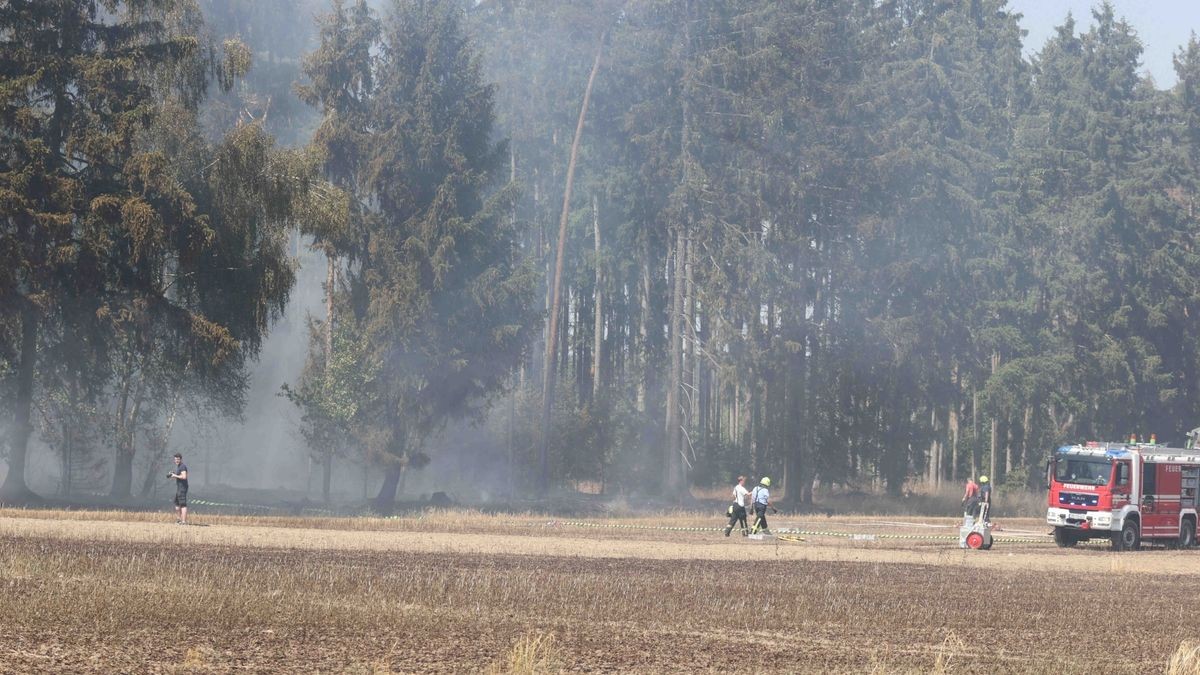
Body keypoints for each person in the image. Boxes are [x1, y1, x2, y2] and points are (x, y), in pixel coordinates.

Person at [167, 453, 189, 525]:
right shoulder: (179, 467)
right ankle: (179, 519)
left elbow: (184, 477)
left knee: (183, 504)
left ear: (181, 459)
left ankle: (184, 522)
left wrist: (175, 475)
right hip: (179, 488)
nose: (176, 460)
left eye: (178, 459)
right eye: (175, 459)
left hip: (182, 488)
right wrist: (173, 475)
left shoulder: (182, 466)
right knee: (177, 504)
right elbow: (180, 476)